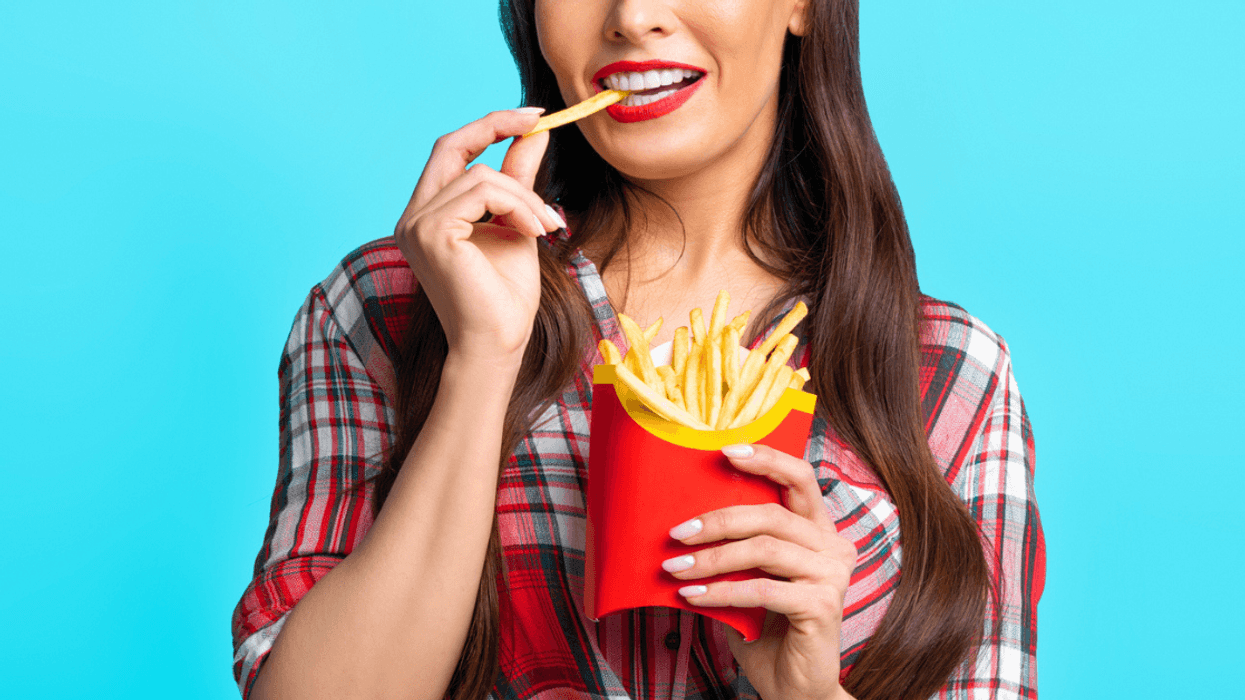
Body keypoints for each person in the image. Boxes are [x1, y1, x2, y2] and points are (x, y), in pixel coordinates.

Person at [232, 0, 1045, 698]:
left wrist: (807, 692)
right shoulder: (389, 304)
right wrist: (481, 357)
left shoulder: (952, 372)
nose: (632, 16)